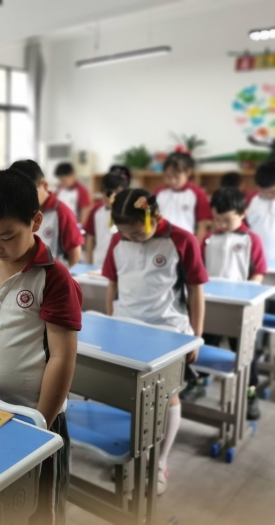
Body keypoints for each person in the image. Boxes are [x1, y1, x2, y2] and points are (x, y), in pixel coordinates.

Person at [0, 169, 82, 524]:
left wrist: (41, 423)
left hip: (32, 416)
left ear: (35, 222)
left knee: (39, 508)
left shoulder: (53, 278)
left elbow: (62, 357)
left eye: (7, 236)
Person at [102, 188, 207, 495]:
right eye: (125, 233)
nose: (131, 238)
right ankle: (132, 456)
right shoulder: (118, 241)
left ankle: (159, 463)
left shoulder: (182, 240)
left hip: (168, 332)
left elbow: (196, 291)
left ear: (155, 217)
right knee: (127, 397)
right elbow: (112, 285)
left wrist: (196, 337)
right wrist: (110, 322)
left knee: (167, 397)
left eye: (137, 232)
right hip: (126, 328)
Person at [202, 187, 267, 420]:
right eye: (217, 219)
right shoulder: (210, 238)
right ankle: (197, 382)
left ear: (242, 213)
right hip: (212, 305)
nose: (221, 224)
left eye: (227, 219)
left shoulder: (251, 240)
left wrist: (248, 295)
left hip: (241, 309)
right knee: (204, 344)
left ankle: (250, 393)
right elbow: (201, 270)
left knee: (246, 353)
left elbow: (258, 271)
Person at [10, 160, 84, 267]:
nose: (23, 200)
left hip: (51, 274)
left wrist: (61, 274)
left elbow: (75, 253)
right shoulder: (14, 211)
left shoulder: (62, 213)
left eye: (28, 194)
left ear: (44, 185)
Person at [154, 152, 211, 244]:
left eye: (176, 176)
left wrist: (196, 245)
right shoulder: (159, 192)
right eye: (168, 176)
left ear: (188, 172)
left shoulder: (197, 193)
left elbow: (203, 225)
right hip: (160, 241)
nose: (172, 181)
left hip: (185, 242)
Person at [84, 165, 131, 266]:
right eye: (104, 192)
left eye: (113, 193)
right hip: (99, 261)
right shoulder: (96, 210)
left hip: (122, 262)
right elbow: (90, 237)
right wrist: (89, 262)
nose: (107, 197)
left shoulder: (128, 211)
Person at [246, 160, 275, 266]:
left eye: (272, 192)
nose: (269, 195)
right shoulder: (252, 200)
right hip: (258, 259)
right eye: (263, 191)